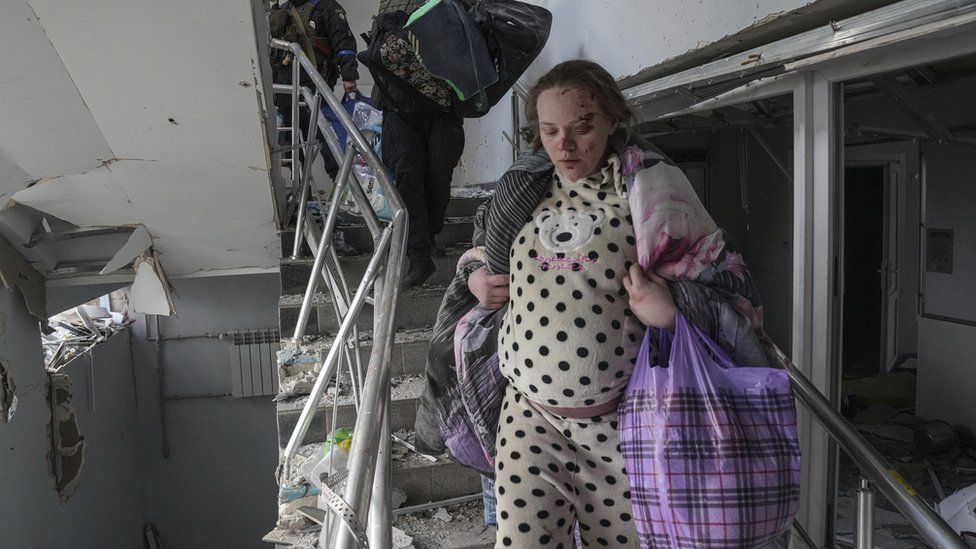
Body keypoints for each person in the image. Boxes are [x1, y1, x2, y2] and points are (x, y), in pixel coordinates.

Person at [465, 60, 769, 548]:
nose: (564, 145)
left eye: (582, 127)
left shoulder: (654, 191)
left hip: (623, 427)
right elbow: (478, 250)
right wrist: (475, 278)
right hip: (528, 417)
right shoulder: (520, 191)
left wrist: (672, 311)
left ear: (613, 120)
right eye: (549, 131)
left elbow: (728, 286)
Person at [375, 0, 466, 288]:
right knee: (407, 175)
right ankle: (418, 255)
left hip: (442, 108)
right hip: (398, 107)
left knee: (438, 176)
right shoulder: (389, 6)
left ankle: (430, 235)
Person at [271, 0, 359, 178]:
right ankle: (303, 188)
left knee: (327, 138)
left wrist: (349, 76)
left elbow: (343, 44)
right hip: (288, 87)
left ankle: (340, 184)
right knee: (292, 142)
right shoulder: (282, 10)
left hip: (316, 86)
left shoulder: (327, 8)